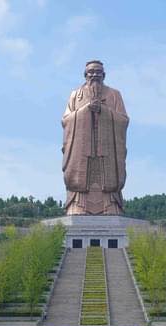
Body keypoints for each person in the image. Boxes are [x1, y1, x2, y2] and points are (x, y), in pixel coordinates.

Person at [61, 60, 129, 215]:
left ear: (103, 75)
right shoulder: (75, 95)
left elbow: (124, 120)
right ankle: (78, 206)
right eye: (91, 72)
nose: (94, 75)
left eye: (98, 72)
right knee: (81, 178)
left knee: (108, 180)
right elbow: (66, 121)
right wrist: (85, 110)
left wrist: (104, 111)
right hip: (82, 150)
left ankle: (111, 206)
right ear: (85, 75)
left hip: (107, 150)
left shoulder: (114, 95)